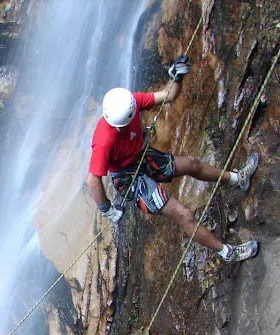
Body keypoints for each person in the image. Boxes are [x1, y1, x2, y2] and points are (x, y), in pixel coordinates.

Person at [87, 55, 260, 263]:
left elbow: (167, 96)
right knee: (183, 214)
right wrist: (106, 208)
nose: (124, 126)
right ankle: (227, 252)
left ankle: (237, 179)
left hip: (141, 156)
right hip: (129, 178)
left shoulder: (130, 103)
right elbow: (93, 179)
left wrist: (176, 78)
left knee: (192, 164)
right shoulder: (104, 140)